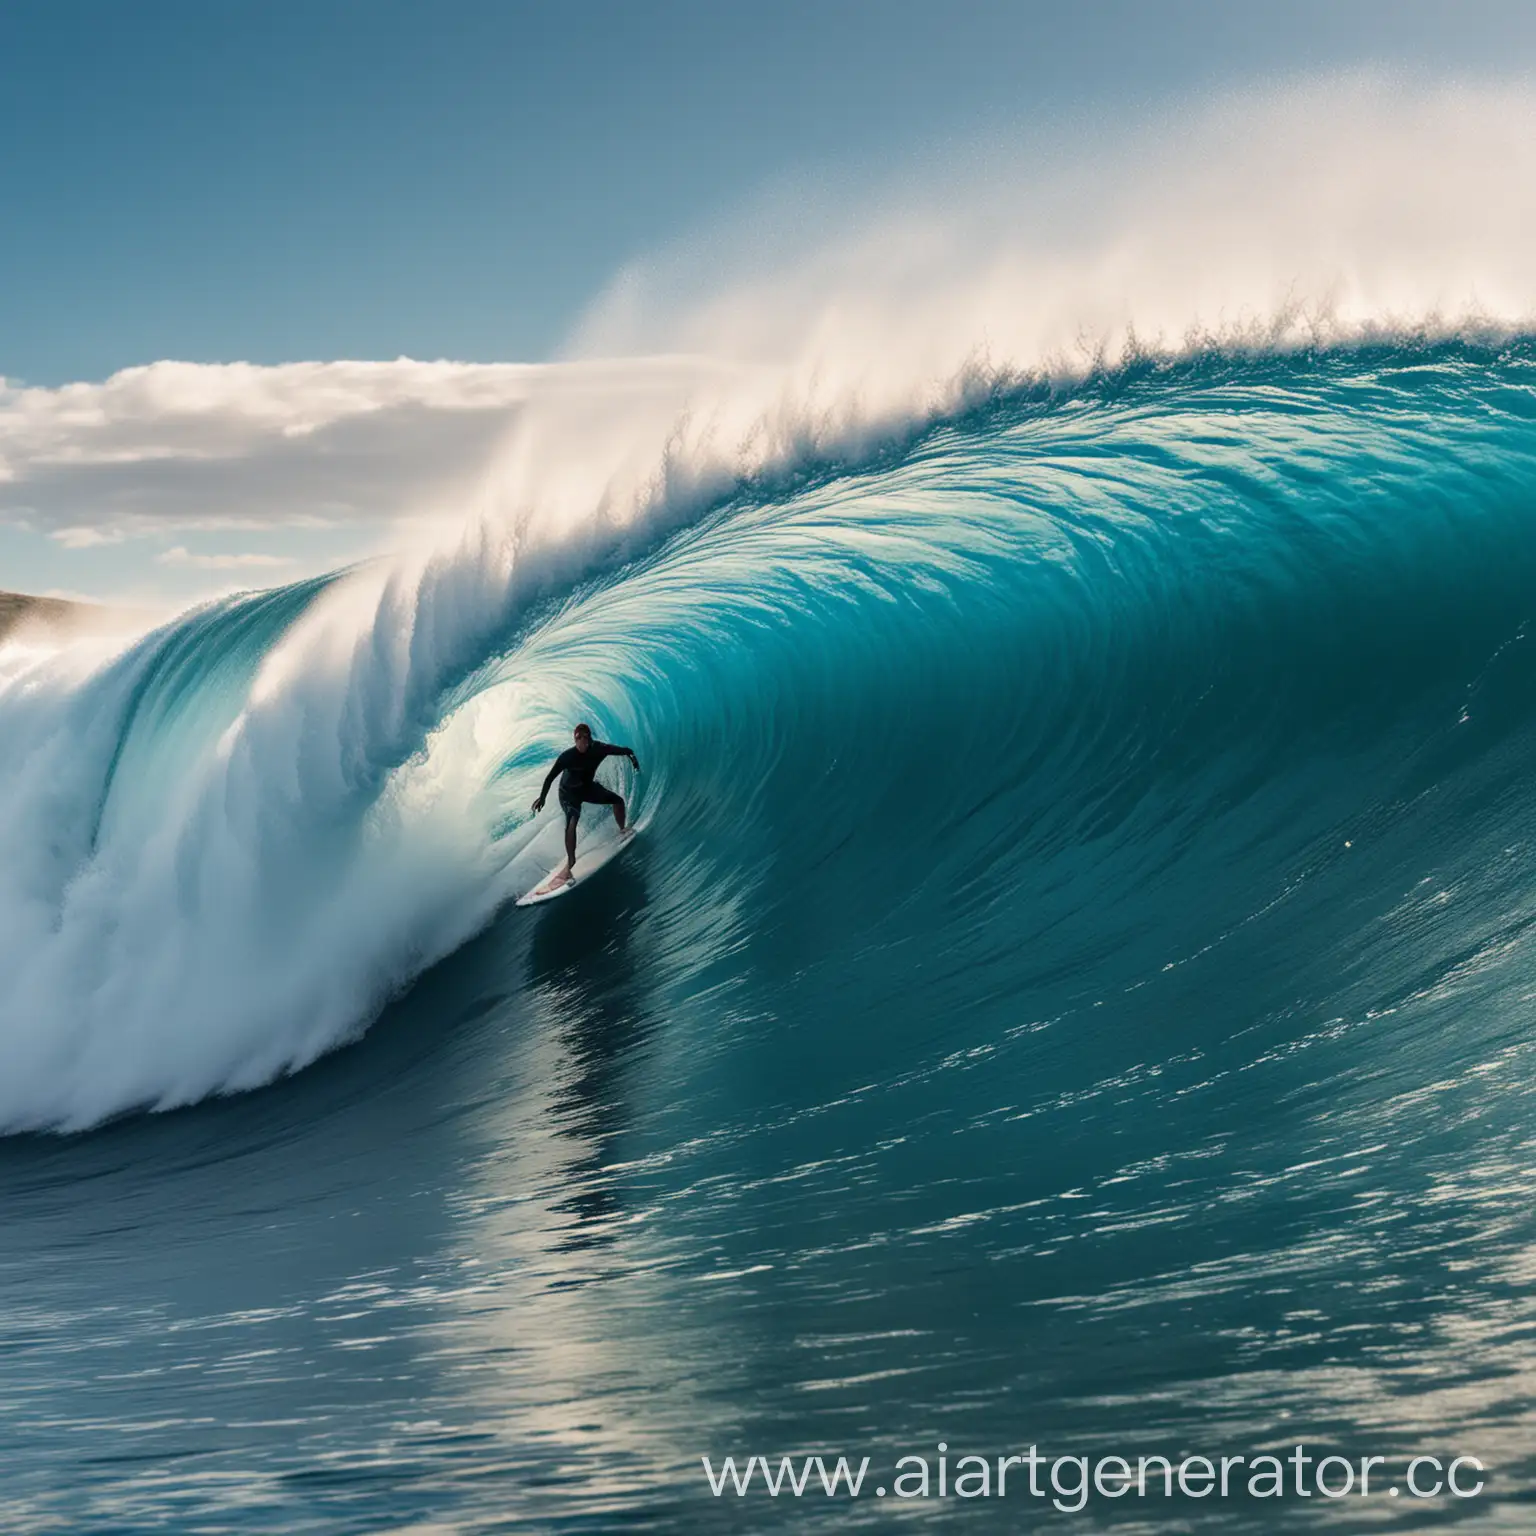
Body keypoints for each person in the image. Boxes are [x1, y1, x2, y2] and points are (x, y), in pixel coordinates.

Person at [531, 723, 641, 885]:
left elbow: (626, 751)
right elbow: (550, 777)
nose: (581, 742)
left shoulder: (600, 749)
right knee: (572, 820)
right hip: (568, 794)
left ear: (589, 739)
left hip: (588, 788)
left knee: (617, 801)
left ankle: (622, 829)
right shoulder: (567, 757)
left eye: (584, 738)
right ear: (574, 740)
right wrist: (542, 798)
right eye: (578, 739)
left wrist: (634, 762)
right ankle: (570, 864)